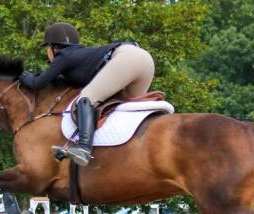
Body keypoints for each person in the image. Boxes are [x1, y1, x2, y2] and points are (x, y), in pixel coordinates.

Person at [20, 22, 155, 167]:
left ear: (53, 47)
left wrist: (22, 76)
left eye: (47, 48)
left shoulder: (63, 56)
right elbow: (68, 80)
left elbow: (36, 84)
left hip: (126, 58)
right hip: (145, 60)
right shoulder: (81, 57)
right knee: (123, 109)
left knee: (86, 99)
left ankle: (83, 148)